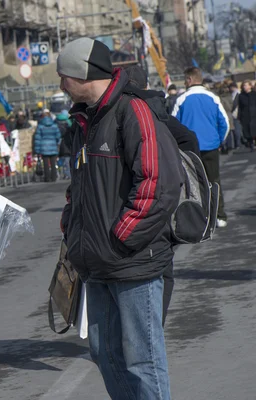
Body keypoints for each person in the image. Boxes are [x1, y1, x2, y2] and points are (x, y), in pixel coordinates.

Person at [58, 38, 182, 400]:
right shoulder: (86, 119)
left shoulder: (132, 111)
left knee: (143, 360)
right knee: (105, 352)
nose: (61, 83)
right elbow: (79, 185)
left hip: (132, 261)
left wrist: (121, 236)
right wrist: (71, 223)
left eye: (64, 75)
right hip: (97, 262)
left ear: (84, 75)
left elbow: (159, 183)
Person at [124, 64, 199, 325]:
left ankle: (144, 330)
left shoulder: (121, 112)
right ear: (145, 85)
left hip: (131, 205)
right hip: (162, 204)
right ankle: (154, 327)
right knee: (162, 268)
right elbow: (189, 140)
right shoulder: (157, 109)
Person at [172, 67, 229, 228]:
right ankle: (220, 215)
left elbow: (173, 125)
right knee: (214, 181)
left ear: (189, 79)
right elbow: (224, 123)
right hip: (210, 146)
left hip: (189, 150)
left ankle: (201, 217)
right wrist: (219, 142)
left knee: (193, 185)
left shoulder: (181, 99)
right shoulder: (213, 97)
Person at [33, 109, 61, 182]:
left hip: (44, 147)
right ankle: (54, 177)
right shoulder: (54, 125)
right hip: (53, 146)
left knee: (46, 164)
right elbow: (58, 136)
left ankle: (47, 178)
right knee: (53, 163)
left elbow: (38, 139)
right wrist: (57, 143)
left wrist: (37, 150)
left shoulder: (40, 126)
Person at [237, 80, 256, 151]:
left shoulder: (254, 94)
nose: (245, 87)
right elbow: (240, 107)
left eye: (246, 85)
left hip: (254, 114)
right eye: (243, 86)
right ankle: (251, 144)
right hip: (245, 115)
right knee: (247, 130)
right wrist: (239, 116)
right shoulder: (241, 96)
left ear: (250, 86)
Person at [229, 82, 244, 149]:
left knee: (237, 129)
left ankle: (238, 143)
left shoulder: (237, 94)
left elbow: (235, 104)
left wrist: (230, 110)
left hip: (235, 114)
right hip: (235, 114)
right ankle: (238, 143)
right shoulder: (234, 94)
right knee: (236, 129)